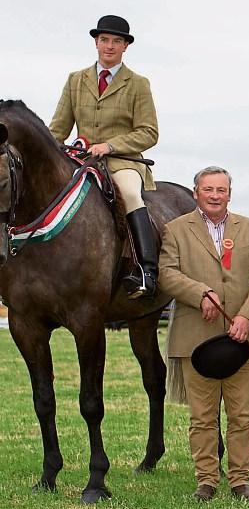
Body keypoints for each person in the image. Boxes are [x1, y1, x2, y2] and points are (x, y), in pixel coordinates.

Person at [158, 166, 249, 502]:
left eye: (221, 190)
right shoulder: (176, 230)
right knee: (203, 417)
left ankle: (240, 480)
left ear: (229, 194)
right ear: (196, 193)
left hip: (243, 339)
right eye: (208, 189)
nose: (214, 195)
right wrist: (199, 293)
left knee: (242, 415)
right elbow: (166, 274)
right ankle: (206, 480)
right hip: (196, 339)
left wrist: (247, 317)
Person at [49, 15, 160, 299]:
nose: (109, 46)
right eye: (104, 40)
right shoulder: (76, 80)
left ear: (125, 47)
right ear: (96, 43)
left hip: (123, 161)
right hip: (81, 161)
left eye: (116, 41)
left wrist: (110, 146)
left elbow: (149, 133)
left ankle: (146, 270)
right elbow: (58, 128)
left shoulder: (138, 83)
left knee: (130, 194)